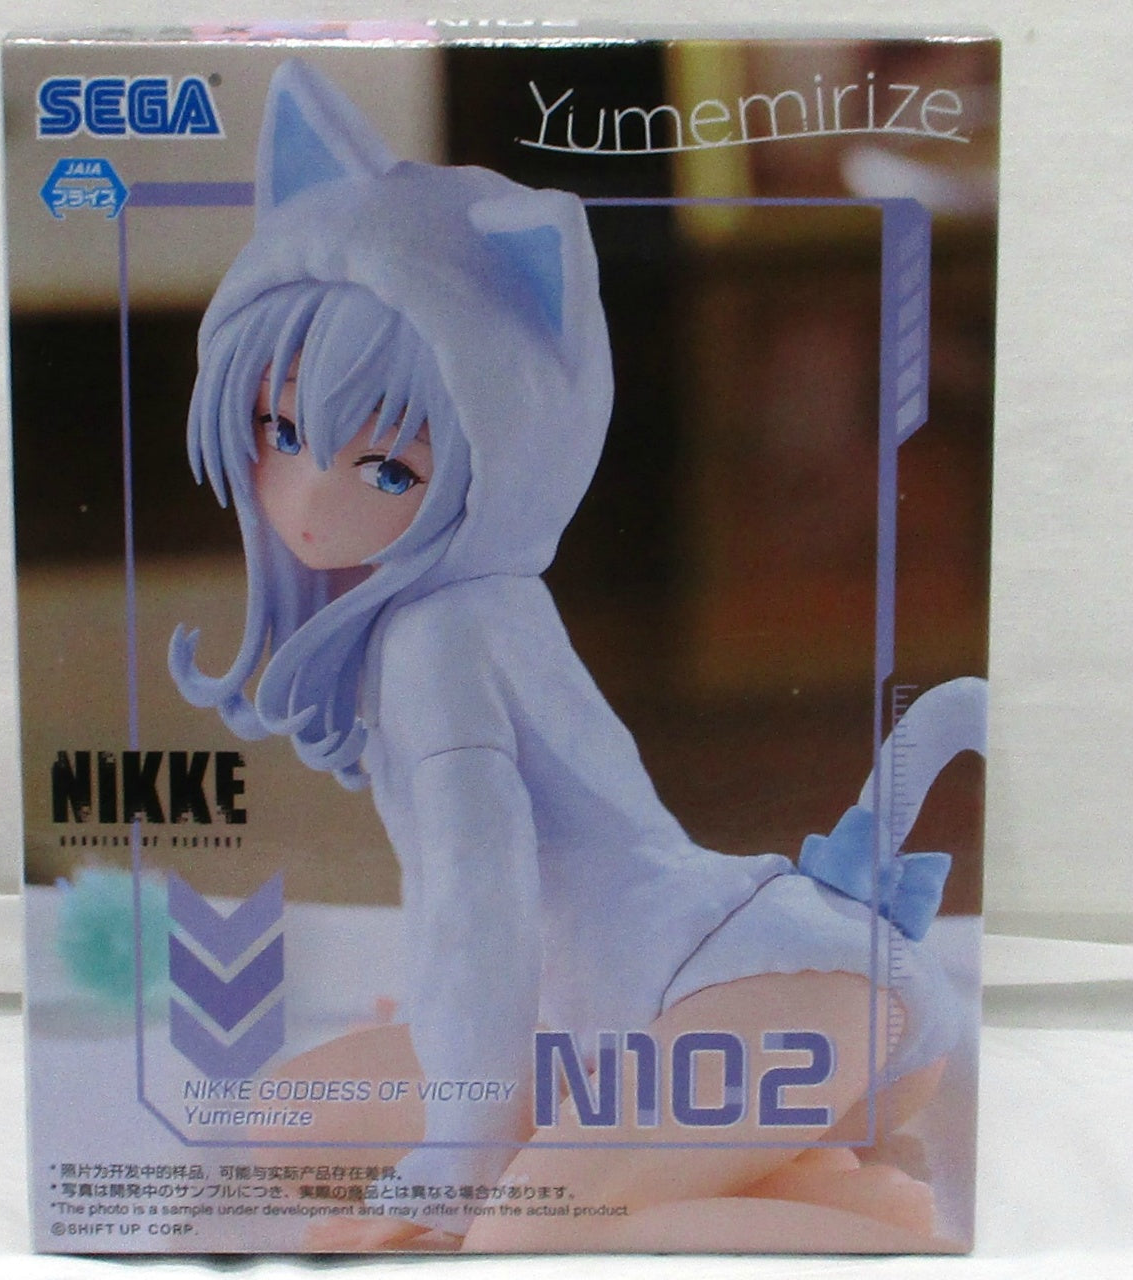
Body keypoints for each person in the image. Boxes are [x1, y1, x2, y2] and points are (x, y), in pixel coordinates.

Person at [172, 59, 985, 1251]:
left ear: (503, 457)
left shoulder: (439, 637)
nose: (304, 498)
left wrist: (463, 1140)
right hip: (628, 1027)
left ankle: (834, 1211)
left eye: (389, 466)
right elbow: (477, 922)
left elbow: (477, 892)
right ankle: (775, 1164)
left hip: (753, 985)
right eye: (277, 426)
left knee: (517, 1230)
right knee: (279, 1122)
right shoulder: (456, 609)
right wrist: (463, 1070)